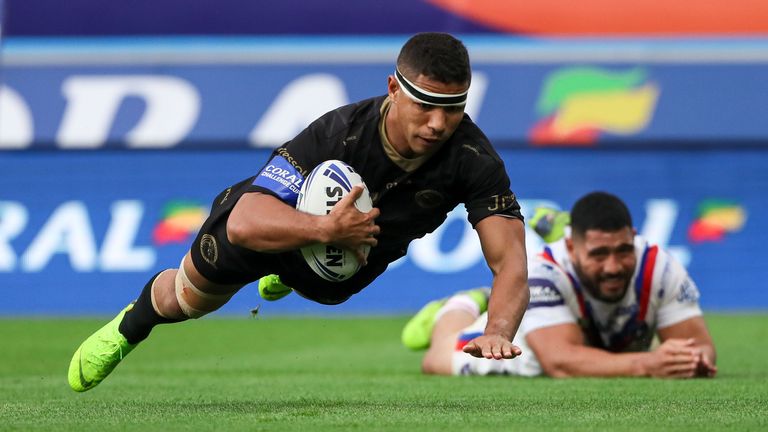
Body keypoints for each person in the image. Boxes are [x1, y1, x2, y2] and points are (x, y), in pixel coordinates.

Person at [67, 32, 529, 392]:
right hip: (273, 220)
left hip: (341, 270)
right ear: (393, 88)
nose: (437, 123)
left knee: (324, 286)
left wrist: (497, 329)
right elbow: (247, 222)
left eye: (453, 109)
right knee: (188, 300)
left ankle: (288, 276)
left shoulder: (474, 159)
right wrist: (327, 227)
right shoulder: (339, 132)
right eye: (425, 105)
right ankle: (130, 328)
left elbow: (509, 262)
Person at [402, 192, 717, 378]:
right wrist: (651, 362)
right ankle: (463, 302)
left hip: (591, 331)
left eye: (623, 251)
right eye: (599, 254)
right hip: (528, 344)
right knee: (438, 359)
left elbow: (701, 348)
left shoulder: (658, 265)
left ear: (634, 237)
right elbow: (560, 361)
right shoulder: (544, 272)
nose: (613, 267)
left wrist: (690, 361)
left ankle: (503, 294)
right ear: (571, 248)